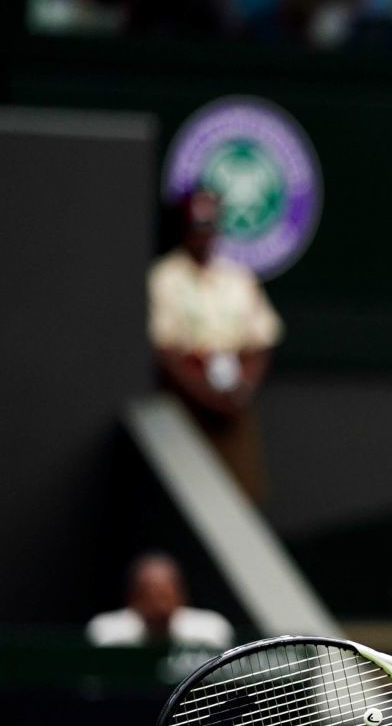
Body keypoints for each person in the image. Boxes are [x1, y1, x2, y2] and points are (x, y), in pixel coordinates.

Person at [148, 188, 283, 502]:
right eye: (197, 226)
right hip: (187, 405)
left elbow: (261, 340)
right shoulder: (164, 278)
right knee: (188, 497)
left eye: (210, 226)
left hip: (234, 403)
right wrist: (206, 395)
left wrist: (241, 389)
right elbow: (166, 353)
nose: (204, 235)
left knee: (244, 493)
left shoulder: (237, 277)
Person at [86, 553, 233, 652]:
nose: (160, 605)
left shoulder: (212, 629)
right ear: (132, 597)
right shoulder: (105, 631)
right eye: (150, 596)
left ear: (182, 595)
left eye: (165, 596)